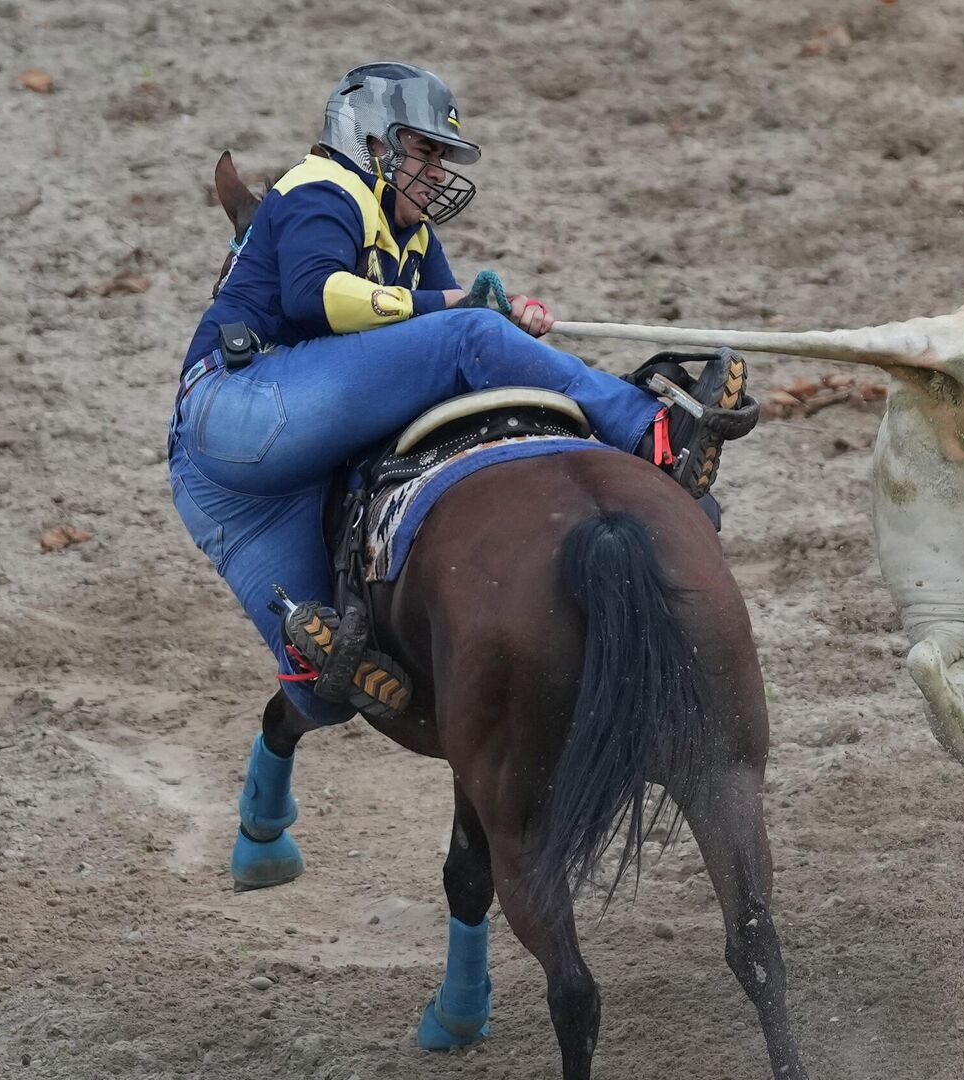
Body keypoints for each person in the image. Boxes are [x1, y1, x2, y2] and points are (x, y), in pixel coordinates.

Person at [166, 62, 756, 891]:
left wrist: (508, 314)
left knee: (332, 686)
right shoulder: (317, 187)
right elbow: (315, 299)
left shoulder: (406, 230)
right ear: (365, 139)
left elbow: (437, 310)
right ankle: (652, 436)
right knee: (466, 346)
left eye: (443, 156)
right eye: (422, 150)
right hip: (238, 415)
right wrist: (468, 316)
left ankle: (277, 787)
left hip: (277, 464)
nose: (436, 171)